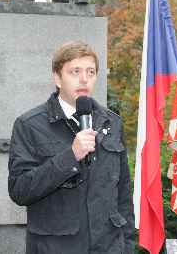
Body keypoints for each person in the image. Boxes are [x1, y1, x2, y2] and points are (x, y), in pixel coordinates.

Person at [8, 41, 134, 253]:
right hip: (56, 247)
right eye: (75, 71)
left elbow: (123, 194)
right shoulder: (29, 124)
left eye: (91, 72)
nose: (84, 79)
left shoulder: (112, 123)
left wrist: (127, 245)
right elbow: (20, 190)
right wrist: (71, 156)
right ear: (57, 78)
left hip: (109, 246)